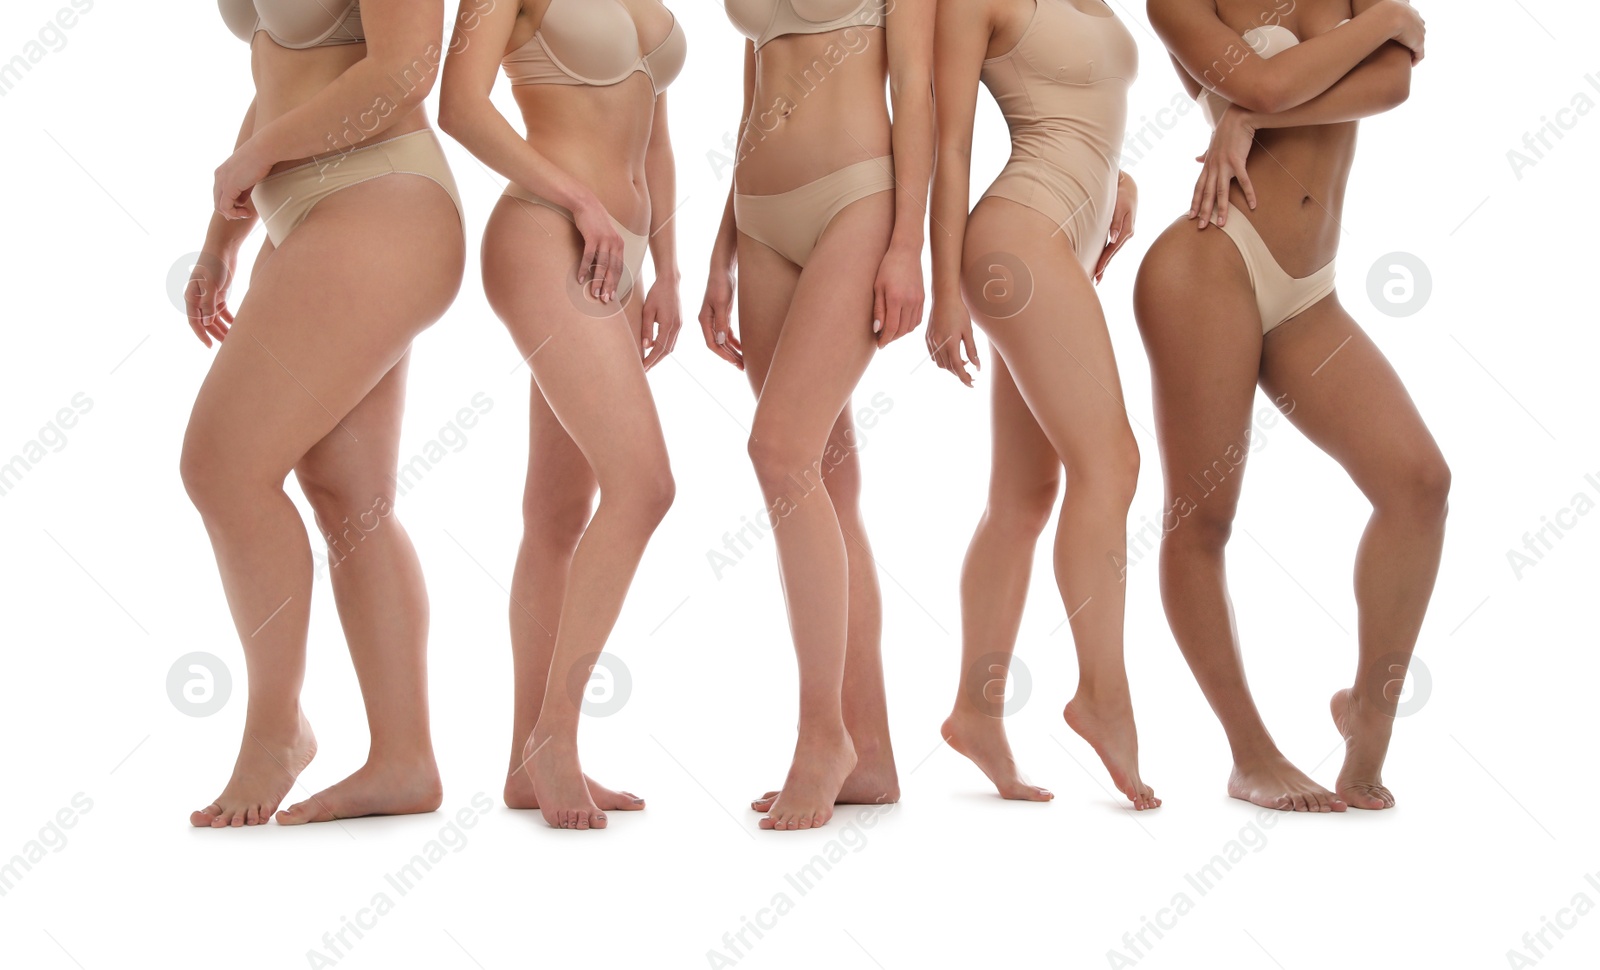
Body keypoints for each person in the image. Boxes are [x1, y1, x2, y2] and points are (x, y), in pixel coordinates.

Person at [1135, 0, 1442, 811]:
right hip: (1211, 262)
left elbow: (1391, 89)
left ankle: (1366, 719)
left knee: (1419, 485)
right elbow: (1268, 85)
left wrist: (1252, 112)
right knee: (1202, 522)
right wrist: (1389, 22)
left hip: (1310, 295)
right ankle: (1250, 754)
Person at [184, 0, 466, 827]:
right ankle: (405, 760)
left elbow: (407, 67)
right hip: (299, 214)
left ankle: (277, 727)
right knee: (350, 494)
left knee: (222, 466)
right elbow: (279, 68)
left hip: (378, 196)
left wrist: (261, 157)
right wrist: (221, 237)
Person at [439, 0, 686, 829]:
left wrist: (668, 269)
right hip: (548, 233)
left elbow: (653, 130)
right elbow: (460, 106)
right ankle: (555, 738)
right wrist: (579, 199)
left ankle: (524, 762)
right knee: (644, 486)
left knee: (557, 513)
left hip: (622, 253)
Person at [698, 0, 934, 830]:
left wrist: (909, 244)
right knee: (824, 485)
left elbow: (918, 92)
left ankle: (821, 735)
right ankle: (870, 756)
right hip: (761, 217)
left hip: (855, 199)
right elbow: (753, 88)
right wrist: (722, 251)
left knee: (778, 451)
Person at [928, 0, 1158, 810]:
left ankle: (975, 711)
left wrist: (1116, 177)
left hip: (1065, 233)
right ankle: (1103, 694)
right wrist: (943, 290)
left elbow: (1079, 104)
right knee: (1113, 463)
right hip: (1015, 240)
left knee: (1022, 499)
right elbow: (949, 143)